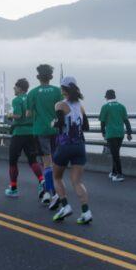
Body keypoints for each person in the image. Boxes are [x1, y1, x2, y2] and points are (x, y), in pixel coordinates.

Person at [51, 77, 92, 224]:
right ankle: (86, 212)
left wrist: (53, 123)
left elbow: (60, 123)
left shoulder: (60, 105)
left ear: (63, 89)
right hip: (80, 145)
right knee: (77, 181)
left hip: (65, 145)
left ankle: (65, 206)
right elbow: (86, 127)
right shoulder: (80, 106)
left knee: (56, 177)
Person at [27, 64, 62, 206]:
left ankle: (48, 192)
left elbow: (28, 113)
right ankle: (56, 191)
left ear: (37, 77)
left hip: (40, 130)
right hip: (55, 130)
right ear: (51, 77)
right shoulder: (58, 91)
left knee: (46, 163)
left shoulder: (33, 92)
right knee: (55, 162)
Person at [5, 78, 44, 197]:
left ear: (20, 88)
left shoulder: (16, 100)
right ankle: (42, 180)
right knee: (32, 160)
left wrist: (9, 115)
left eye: (15, 87)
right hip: (31, 132)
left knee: (13, 161)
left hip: (19, 133)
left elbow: (18, 115)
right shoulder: (30, 98)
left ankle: (13, 188)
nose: (13, 89)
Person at [99, 89, 132, 182]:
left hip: (111, 133)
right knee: (115, 152)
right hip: (120, 133)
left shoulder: (105, 107)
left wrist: (103, 133)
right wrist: (129, 133)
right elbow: (126, 121)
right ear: (114, 96)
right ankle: (113, 172)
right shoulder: (121, 106)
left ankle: (120, 174)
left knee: (115, 154)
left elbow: (102, 122)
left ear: (107, 97)